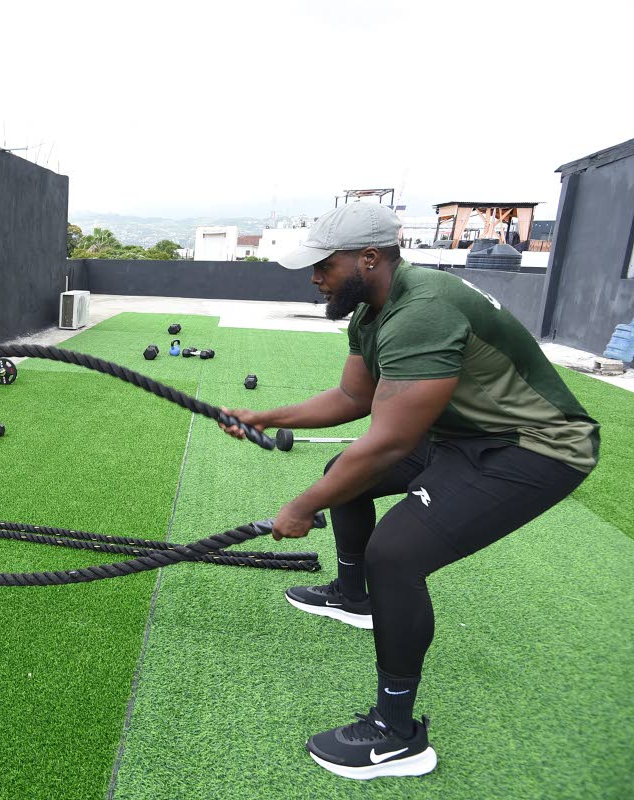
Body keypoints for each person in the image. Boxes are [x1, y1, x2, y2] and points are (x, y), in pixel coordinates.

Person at [221, 203, 598, 780]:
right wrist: (266, 415)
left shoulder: (423, 310)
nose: (315, 278)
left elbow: (391, 442)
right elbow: (353, 399)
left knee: (395, 554)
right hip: (461, 435)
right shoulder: (371, 311)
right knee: (346, 470)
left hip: (535, 447)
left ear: (369, 258)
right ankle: (354, 598)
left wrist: (301, 507)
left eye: (324, 265)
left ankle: (397, 736)